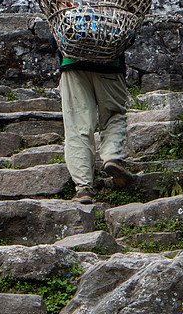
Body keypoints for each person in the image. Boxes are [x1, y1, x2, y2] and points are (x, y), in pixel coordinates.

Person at [55, 36, 136, 204]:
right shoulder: (112, 8)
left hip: (72, 63)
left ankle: (84, 187)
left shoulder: (68, 8)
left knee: (78, 124)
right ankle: (112, 158)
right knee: (113, 115)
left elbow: (53, 35)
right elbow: (129, 34)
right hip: (110, 63)